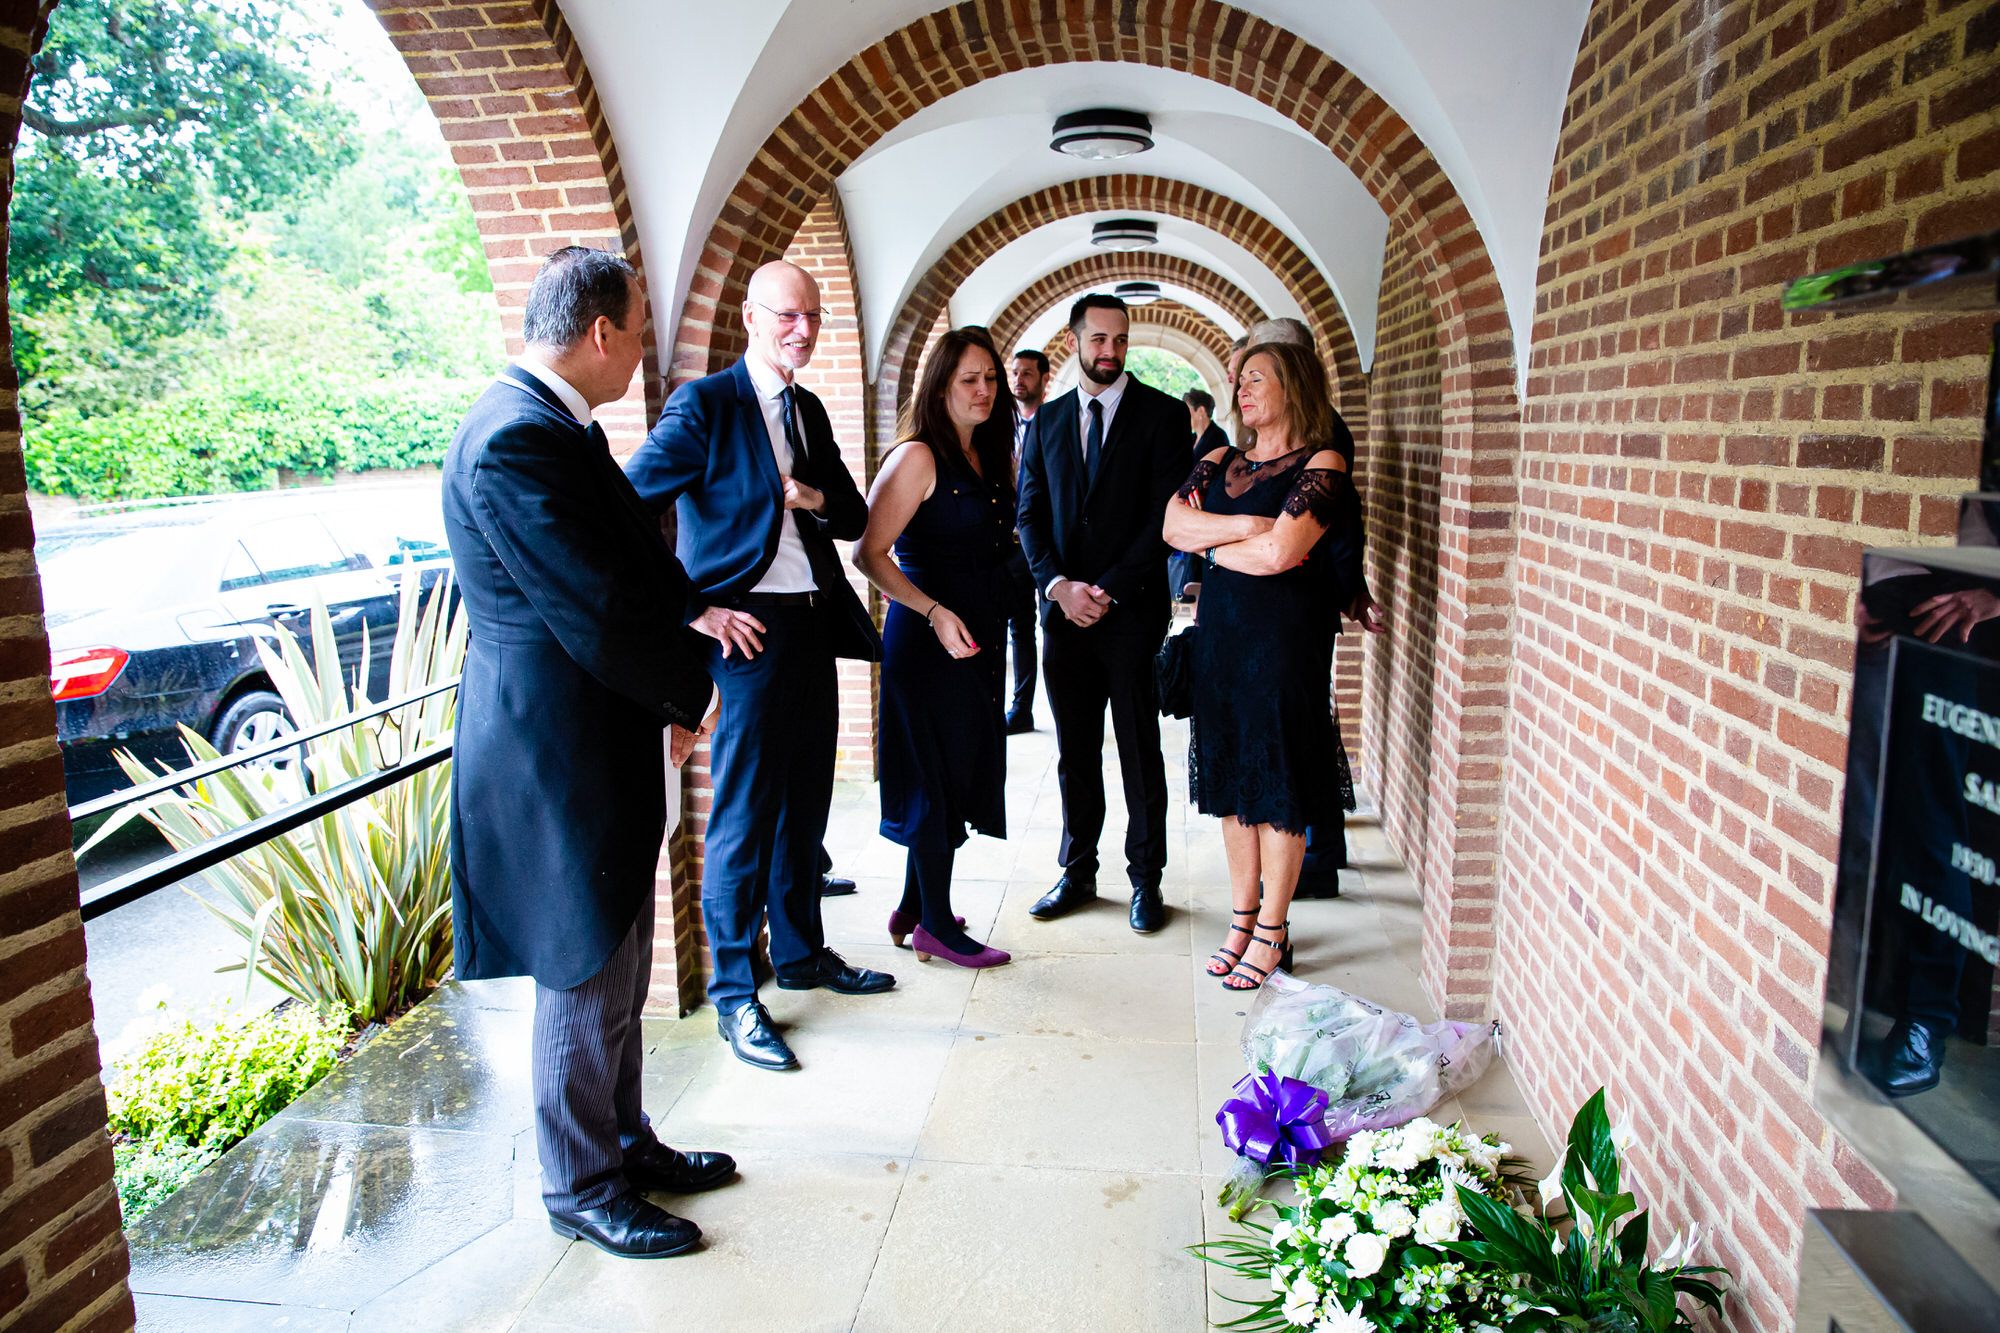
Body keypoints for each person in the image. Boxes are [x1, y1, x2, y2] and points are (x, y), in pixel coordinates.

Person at [443, 246, 733, 1259]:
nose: (642, 348)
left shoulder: (558, 427)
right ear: (601, 333)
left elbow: (636, 568)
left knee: (617, 953)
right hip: (551, 744)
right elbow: (595, 606)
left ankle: (624, 1137)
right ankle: (580, 1183)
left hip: (595, 724)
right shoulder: (512, 440)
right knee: (579, 959)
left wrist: (681, 648)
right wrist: (687, 689)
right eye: (639, 328)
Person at [625, 260, 890, 1074]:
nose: (803, 329)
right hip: (744, 637)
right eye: (788, 316)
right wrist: (691, 608)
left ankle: (804, 952)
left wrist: (806, 497)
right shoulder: (706, 406)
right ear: (750, 316)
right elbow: (628, 507)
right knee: (741, 818)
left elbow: (851, 514)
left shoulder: (807, 409)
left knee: (806, 807)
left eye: (812, 316)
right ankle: (736, 993)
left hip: (812, 628)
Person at [1165, 341, 1365, 989]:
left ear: (1293, 386)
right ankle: (1241, 918)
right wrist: (1252, 528)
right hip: (1221, 635)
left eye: (1257, 378)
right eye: (1239, 380)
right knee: (1231, 780)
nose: (1242, 389)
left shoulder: (1323, 461)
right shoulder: (1219, 456)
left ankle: (1273, 931)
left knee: (1278, 786)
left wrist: (1219, 545)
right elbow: (1171, 525)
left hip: (1284, 643)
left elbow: (1282, 553)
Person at [1016, 293, 1191, 934]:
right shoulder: (1048, 421)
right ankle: (1078, 871)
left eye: (1120, 340)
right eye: (1098, 340)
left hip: (1132, 615)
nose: (1111, 352)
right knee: (1075, 753)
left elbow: (1162, 520)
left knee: (1140, 750)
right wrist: (1060, 586)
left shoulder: (1164, 416)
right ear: (1075, 342)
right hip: (1063, 619)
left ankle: (1147, 881)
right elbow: (1029, 516)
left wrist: (1108, 590)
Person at [854, 327, 1018, 968]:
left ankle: (915, 907)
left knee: (954, 772)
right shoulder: (917, 457)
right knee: (931, 779)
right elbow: (868, 554)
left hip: (977, 639)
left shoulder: (986, 451)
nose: (984, 391)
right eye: (968, 380)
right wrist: (933, 610)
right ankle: (936, 932)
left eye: (991, 379)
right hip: (928, 642)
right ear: (940, 387)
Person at [1230, 318, 1384, 899]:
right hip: (1272, 604)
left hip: (1299, 606)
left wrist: (1345, 591)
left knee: (1300, 736)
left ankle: (1317, 856)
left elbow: (1342, 525)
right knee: (1294, 734)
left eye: (1256, 371)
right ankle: (1315, 853)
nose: (1243, 383)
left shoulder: (1324, 439)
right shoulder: (1263, 440)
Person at [1003, 349, 1051, 732]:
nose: (1019, 379)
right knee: (1019, 626)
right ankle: (1022, 708)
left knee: (1053, 625)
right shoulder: (999, 427)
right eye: (1015, 373)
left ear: (1043, 379)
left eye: (1028, 373)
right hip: (1011, 543)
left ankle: (1064, 700)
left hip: (1049, 542)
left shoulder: (1054, 423)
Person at [1172, 389, 1229, 603]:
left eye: (1188, 410)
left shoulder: (1218, 439)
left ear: (1201, 411)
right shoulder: (1192, 439)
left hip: (1206, 509)